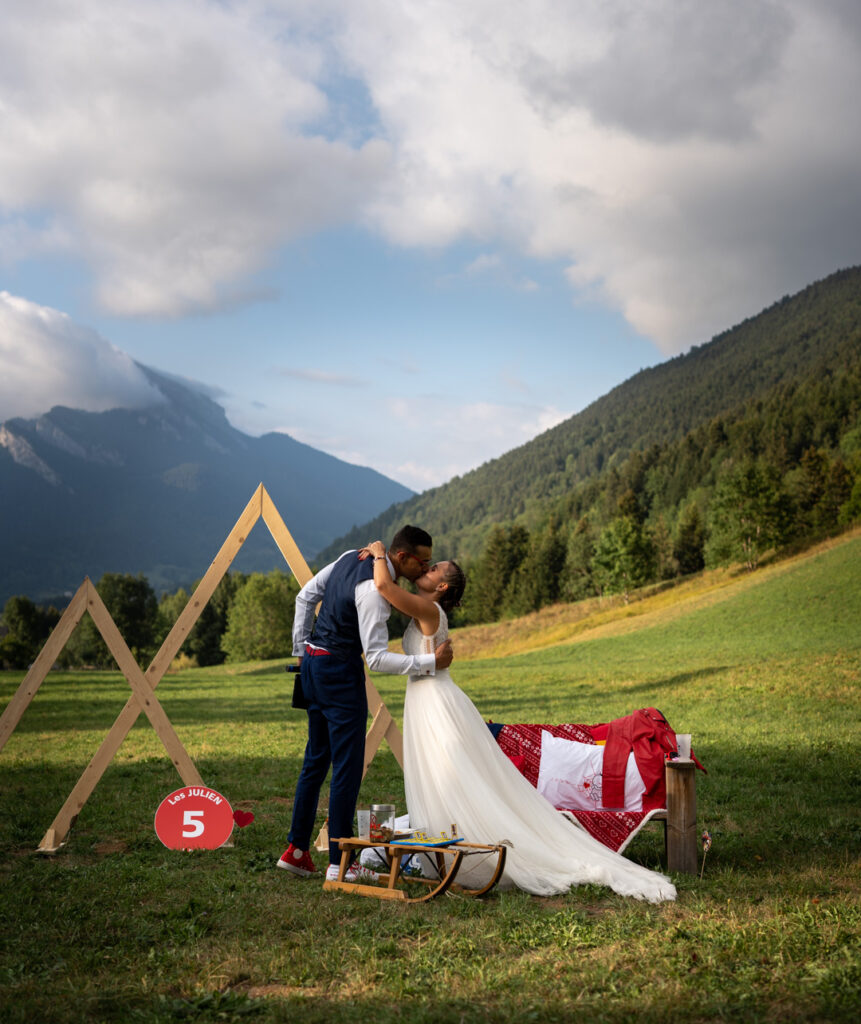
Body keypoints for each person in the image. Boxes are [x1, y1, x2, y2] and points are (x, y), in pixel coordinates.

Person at [360, 539, 677, 902]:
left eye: (433, 569)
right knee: (440, 777)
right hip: (424, 699)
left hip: (437, 703)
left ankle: (464, 849)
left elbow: (385, 587)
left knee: (453, 777)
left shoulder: (430, 612)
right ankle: (444, 847)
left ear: (441, 586)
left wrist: (380, 552)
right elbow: (387, 593)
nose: (425, 570)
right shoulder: (424, 610)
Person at [278, 525, 454, 884]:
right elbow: (375, 658)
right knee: (346, 765)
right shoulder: (374, 592)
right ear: (402, 557)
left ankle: (296, 850)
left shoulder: (347, 558)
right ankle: (340, 862)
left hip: (312, 664)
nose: (424, 569)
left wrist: (302, 650)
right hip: (340, 674)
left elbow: (305, 597)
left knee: (316, 760)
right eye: (422, 562)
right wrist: (429, 663)